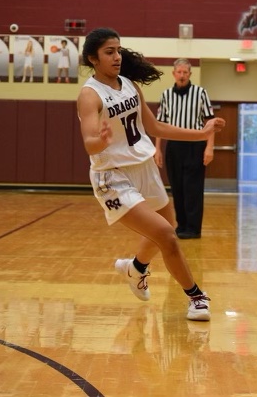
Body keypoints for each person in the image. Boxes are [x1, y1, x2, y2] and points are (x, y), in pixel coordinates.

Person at [76, 27, 225, 321]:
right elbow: (90, 143)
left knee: (168, 225)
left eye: (118, 50)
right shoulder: (89, 95)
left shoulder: (130, 84)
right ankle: (196, 297)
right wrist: (101, 139)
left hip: (143, 166)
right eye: (109, 52)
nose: (117, 57)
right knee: (168, 236)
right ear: (93, 58)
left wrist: (202, 133)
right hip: (113, 175)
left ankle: (136, 268)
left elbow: (155, 128)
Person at [155, 59, 215, 239]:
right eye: (179, 72)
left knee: (193, 188)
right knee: (177, 187)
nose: (182, 76)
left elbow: (210, 122)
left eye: (185, 73)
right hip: (173, 146)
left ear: (190, 74)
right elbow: (159, 124)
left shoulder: (200, 93)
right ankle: (181, 226)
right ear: (174, 74)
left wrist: (209, 147)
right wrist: (157, 149)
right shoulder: (166, 95)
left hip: (195, 145)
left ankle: (193, 228)